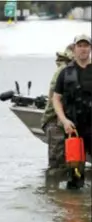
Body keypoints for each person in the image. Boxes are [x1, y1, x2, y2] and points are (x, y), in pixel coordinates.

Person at [52, 34, 92, 189]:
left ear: (90, 48)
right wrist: (64, 120)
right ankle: (74, 208)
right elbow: (56, 99)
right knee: (75, 172)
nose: (83, 49)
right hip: (73, 128)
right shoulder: (65, 73)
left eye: (86, 45)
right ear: (74, 49)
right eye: (80, 46)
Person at [41, 44, 74, 176]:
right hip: (55, 122)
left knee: (71, 164)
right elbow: (54, 98)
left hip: (67, 122)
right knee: (58, 167)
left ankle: (61, 194)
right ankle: (53, 193)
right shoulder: (63, 71)